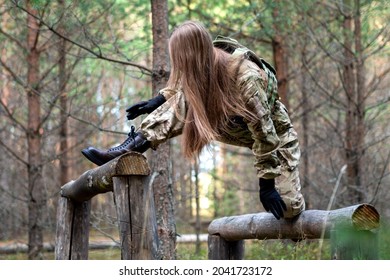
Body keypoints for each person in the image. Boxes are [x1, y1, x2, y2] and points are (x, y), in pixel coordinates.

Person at [82, 21, 305, 220]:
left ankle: (296, 214)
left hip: (275, 137)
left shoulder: (246, 76)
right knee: (184, 100)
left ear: (193, 55)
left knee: (289, 209)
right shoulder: (204, 64)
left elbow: (265, 133)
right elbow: (189, 80)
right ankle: (131, 147)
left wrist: (266, 184)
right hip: (229, 123)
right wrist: (158, 100)